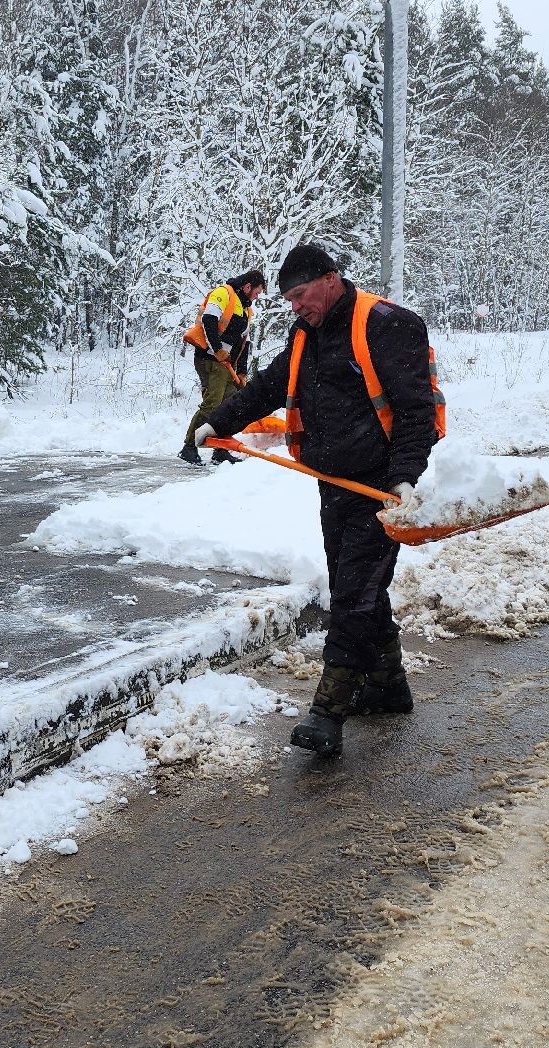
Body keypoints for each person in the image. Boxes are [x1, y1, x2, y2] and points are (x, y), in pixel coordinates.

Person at [193, 244, 441, 756]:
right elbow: (272, 383)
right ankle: (389, 686)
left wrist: (402, 480)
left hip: (379, 488)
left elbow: (416, 412)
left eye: (301, 295)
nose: (294, 306)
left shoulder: (386, 324)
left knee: (353, 592)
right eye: (288, 299)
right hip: (334, 483)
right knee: (360, 586)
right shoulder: (308, 331)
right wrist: (220, 421)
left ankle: (329, 710)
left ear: (331, 279)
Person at [180, 270, 267, 466]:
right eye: (257, 292)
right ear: (247, 287)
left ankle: (221, 450)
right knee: (213, 403)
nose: (257, 297)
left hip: (226, 364)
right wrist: (217, 349)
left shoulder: (246, 309)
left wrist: (242, 371)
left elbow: (243, 343)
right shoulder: (223, 293)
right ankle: (188, 446)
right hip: (209, 358)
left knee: (230, 405)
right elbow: (208, 320)